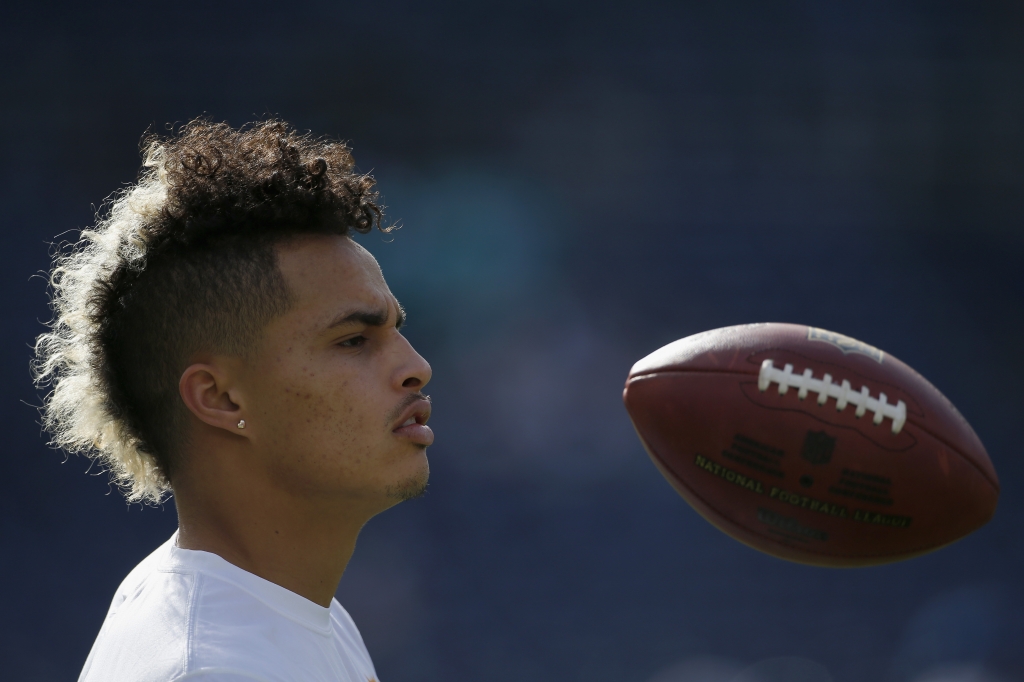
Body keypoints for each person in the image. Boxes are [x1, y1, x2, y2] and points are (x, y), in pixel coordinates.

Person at [33, 119, 432, 682]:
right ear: (219, 398)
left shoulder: (292, 612)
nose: (416, 368)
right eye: (353, 341)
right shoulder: (209, 666)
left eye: (397, 331)